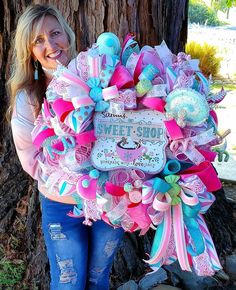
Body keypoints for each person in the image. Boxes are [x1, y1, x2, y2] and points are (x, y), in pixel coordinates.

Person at [8, 4, 124, 290]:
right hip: (60, 206)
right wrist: (72, 178)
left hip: (110, 201)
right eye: (38, 40)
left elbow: (126, 129)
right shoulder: (29, 98)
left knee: (99, 279)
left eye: (55, 33)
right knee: (68, 282)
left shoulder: (102, 77)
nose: (50, 44)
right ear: (30, 51)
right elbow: (30, 159)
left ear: (67, 34)